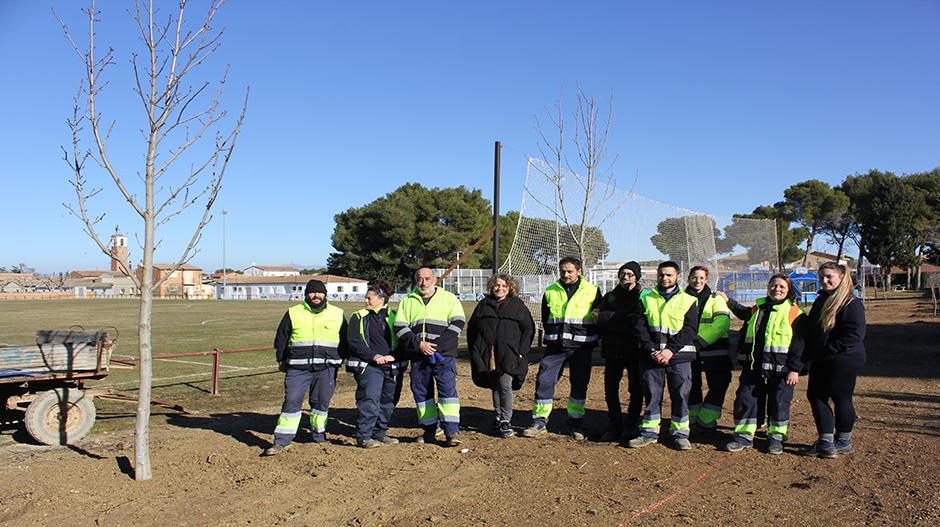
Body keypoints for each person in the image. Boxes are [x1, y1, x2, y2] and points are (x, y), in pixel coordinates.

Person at [721, 274, 807, 455]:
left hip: (781, 370)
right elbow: (743, 313)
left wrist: (795, 369)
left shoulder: (795, 313)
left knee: (779, 402)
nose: (777, 289)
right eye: (774, 285)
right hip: (754, 367)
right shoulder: (757, 308)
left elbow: (800, 345)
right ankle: (743, 435)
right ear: (769, 287)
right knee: (746, 399)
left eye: (782, 286)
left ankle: (776, 436)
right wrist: (728, 301)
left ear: (788, 290)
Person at [263, 279, 348, 456]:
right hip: (298, 368)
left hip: (326, 367)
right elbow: (281, 337)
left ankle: (319, 435)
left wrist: (341, 359)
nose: (316, 295)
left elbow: (345, 339)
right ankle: (282, 440)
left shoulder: (337, 313)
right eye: (312, 292)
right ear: (306, 294)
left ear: (325, 294)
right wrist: (281, 359)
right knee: (292, 401)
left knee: (321, 403)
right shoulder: (294, 312)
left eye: (319, 292)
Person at [522, 257, 602, 440]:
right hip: (555, 347)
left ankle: (575, 423)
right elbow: (546, 317)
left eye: (570, 271)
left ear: (579, 271)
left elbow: (598, 318)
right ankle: (539, 422)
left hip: (581, 347)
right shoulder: (550, 291)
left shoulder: (592, 291)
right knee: (544, 381)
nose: (565, 274)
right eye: (563, 271)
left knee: (579, 384)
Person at [628, 261, 699, 451]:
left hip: (679, 357)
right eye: (661, 275)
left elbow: (690, 329)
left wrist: (670, 350)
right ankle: (649, 433)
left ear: (678, 277)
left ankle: (680, 434)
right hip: (651, 357)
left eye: (669, 275)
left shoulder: (689, 300)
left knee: (681, 395)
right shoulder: (645, 298)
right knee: (652, 394)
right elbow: (639, 326)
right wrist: (652, 349)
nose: (665, 278)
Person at [394, 267, 466, 446]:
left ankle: (451, 431)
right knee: (421, 392)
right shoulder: (407, 301)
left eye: (427, 278)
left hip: (443, 355)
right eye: (420, 279)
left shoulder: (449, 298)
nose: (423, 282)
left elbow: (458, 322)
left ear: (434, 280)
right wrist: (419, 344)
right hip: (419, 355)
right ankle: (429, 429)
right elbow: (400, 327)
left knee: (447, 392)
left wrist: (437, 347)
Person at [805, 262, 866, 458]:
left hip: (843, 359)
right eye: (822, 276)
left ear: (841, 278)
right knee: (816, 395)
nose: (825, 280)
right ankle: (827, 441)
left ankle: (842, 441)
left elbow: (854, 335)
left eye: (829, 276)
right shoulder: (821, 299)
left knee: (841, 398)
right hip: (822, 358)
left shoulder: (851, 303)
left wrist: (827, 350)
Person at [467, 273, 535, 438]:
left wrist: (521, 351)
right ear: (492, 286)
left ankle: (506, 420)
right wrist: (476, 350)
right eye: (497, 285)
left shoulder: (517, 306)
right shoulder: (483, 305)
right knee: (495, 385)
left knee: (505, 384)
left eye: (504, 286)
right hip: (488, 354)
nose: (500, 289)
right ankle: (498, 418)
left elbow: (528, 329)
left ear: (510, 288)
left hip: (509, 353)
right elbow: (472, 329)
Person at [593, 261, 645, 441]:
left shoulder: (643, 296)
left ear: (637, 277)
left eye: (630, 274)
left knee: (635, 388)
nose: (625, 276)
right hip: (612, 349)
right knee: (610, 389)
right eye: (622, 273)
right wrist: (620, 317)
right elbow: (598, 318)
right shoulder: (610, 296)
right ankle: (614, 425)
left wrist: (612, 318)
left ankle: (630, 425)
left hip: (635, 350)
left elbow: (636, 320)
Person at [346, 283, 402, 448]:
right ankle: (364, 436)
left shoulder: (395, 315)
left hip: (392, 366)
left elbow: (403, 340)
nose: (366, 301)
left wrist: (394, 356)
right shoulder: (359, 317)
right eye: (366, 298)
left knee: (389, 401)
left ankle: (380, 432)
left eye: (369, 298)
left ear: (381, 299)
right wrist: (374, 356)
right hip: (369, 366)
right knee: (370, 399)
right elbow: (354, 342)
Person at [685, 266, 732, 437]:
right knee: (691, 386)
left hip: (715, 351)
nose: (697, 281)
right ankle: (692, 420)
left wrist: (700, 341)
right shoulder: (681, 299)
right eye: (694, 277)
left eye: (701, 278)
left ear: (706, 279)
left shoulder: (715, 299)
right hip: (689, 350)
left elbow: (722, 323)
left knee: (720, 384)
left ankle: (706, 420)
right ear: (688, 278)